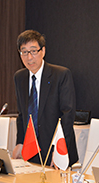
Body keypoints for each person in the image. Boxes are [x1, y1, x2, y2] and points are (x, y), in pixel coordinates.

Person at [12, 30, 78, 167]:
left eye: (33, 51)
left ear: (43, 51)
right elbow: (21, 114)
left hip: (55, 148)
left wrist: (59, 150)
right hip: (31, 150)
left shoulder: (60, 75)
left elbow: (67, 115)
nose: (29, 57)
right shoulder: (20, 77)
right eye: (24, 52)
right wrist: (20, 142)